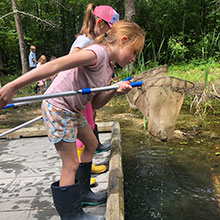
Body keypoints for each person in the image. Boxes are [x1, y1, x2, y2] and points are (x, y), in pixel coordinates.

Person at [0, 20, 145, 220]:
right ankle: (71, 215)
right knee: (70, 163)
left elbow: (95, 104)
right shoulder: (96, 53)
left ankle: (84, 193)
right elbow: (55, 65)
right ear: (123, 40)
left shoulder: (109, 67)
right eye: (134, 52)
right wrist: (12, 87)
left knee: (92, 143)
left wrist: (114, 88)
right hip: (58, 107)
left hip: (73, 110)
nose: (133, 59)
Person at [70, 4, 119, 187]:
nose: (108, 35)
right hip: (79, 96)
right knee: (81, 135)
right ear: (100, 23)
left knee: (89, 127)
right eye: (108, 30)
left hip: (88, 95)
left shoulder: (91, 39)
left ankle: (87, 166)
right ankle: (81, 174)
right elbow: (73, 60)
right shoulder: (84, 41)